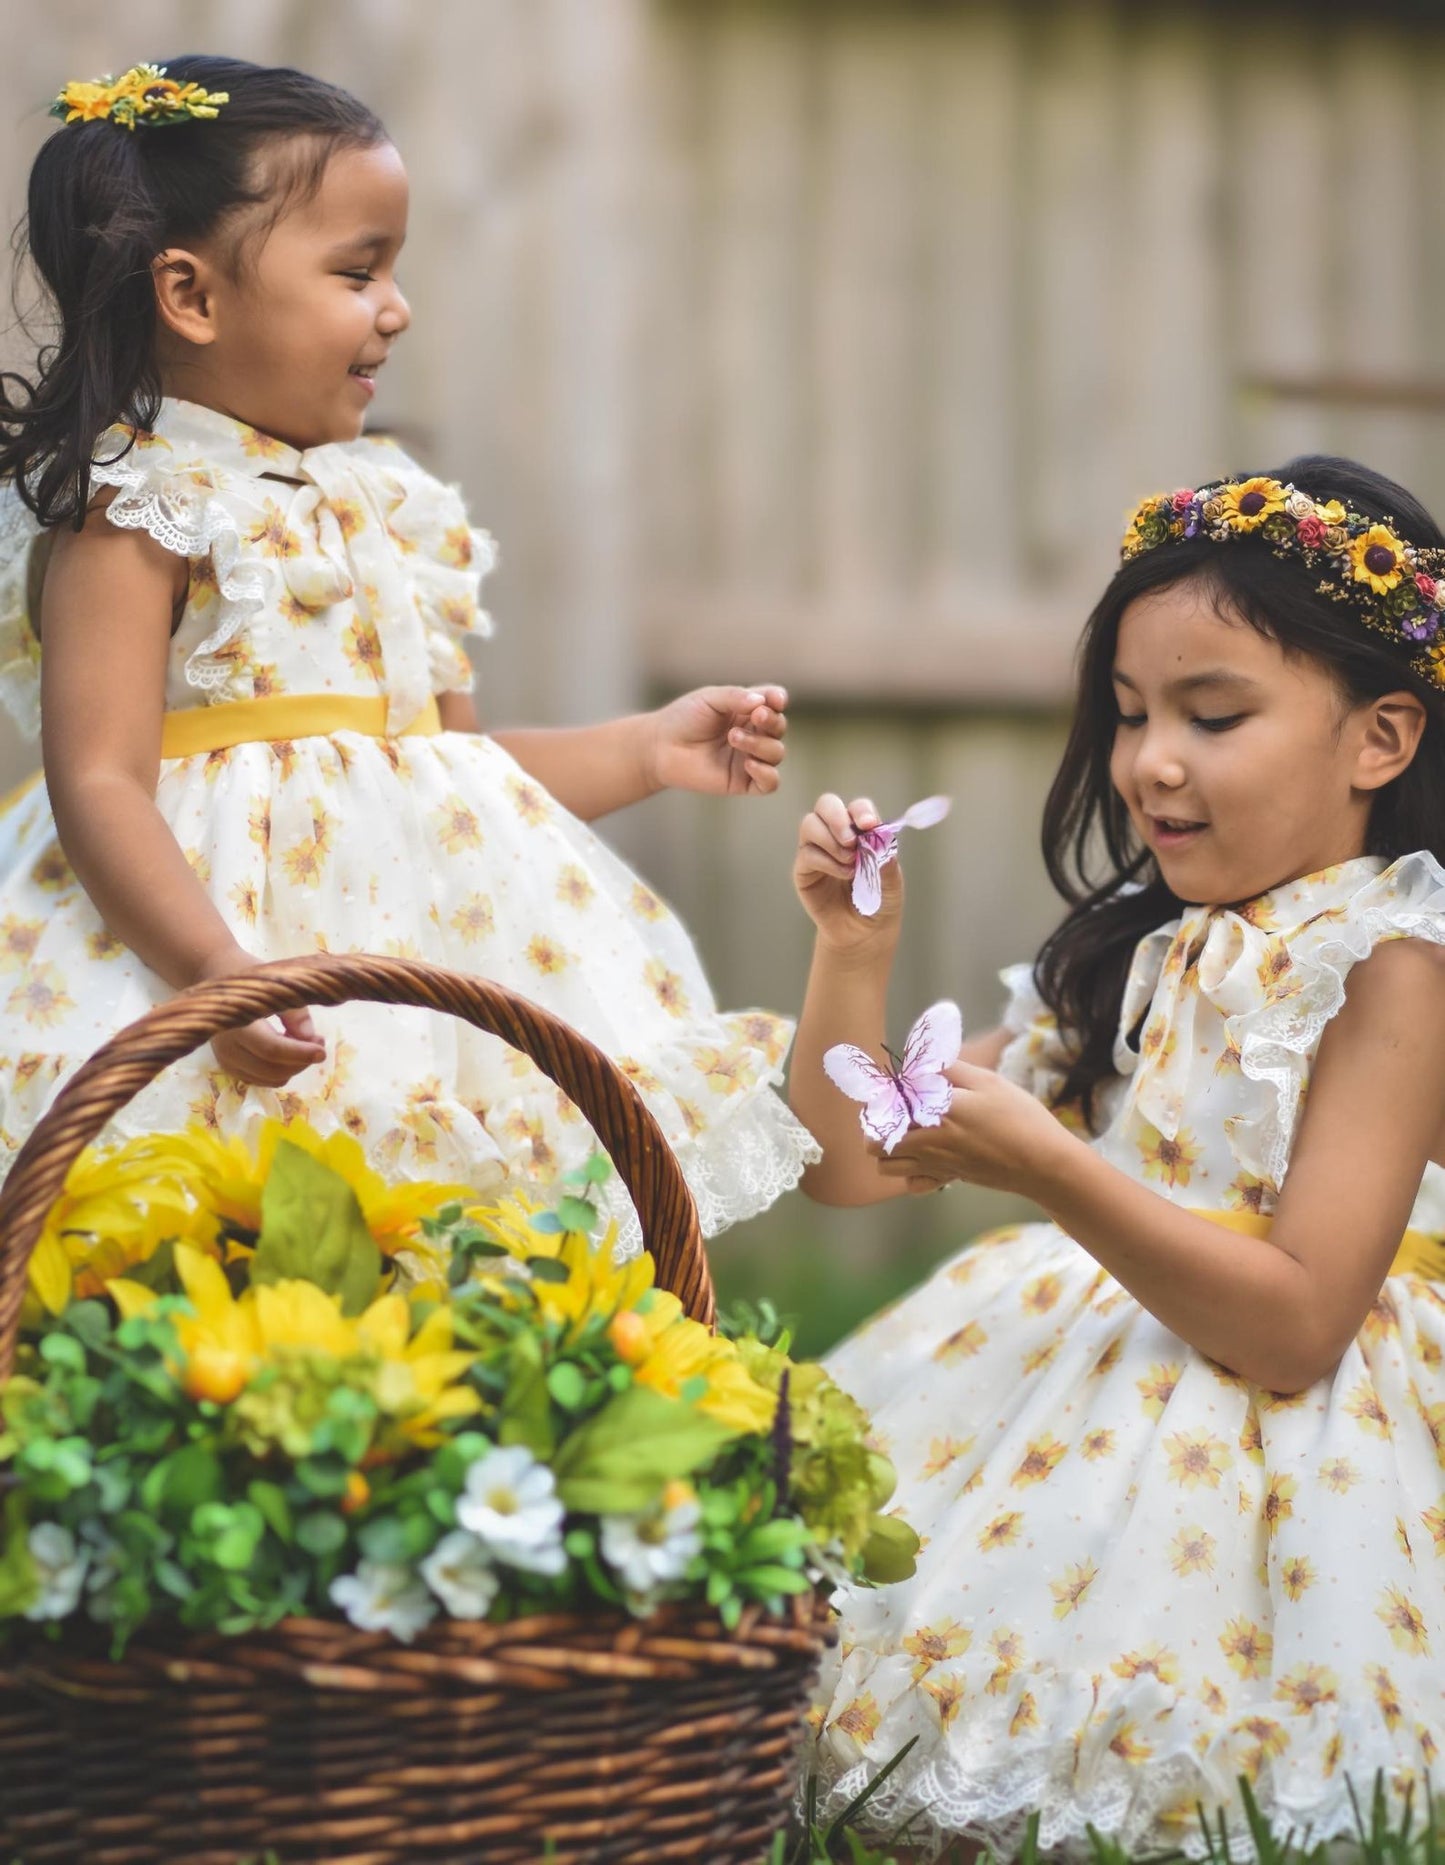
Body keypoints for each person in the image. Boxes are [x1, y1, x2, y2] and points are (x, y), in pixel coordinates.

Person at [0, 56, 818, 1252]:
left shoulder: (393, 499)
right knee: (209, 1240)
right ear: (190, 293)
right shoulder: (143, 507)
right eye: (357, 268)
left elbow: (453, 775)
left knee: (429, 1250)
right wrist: (219, 974)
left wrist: (647, 749)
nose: (398, 305)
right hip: (206, 948)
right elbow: (100, 780)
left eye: (393, 266)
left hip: (415, 986)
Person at [789, 458, 1445, 1857]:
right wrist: (855, 957)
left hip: (1310, 1422)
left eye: (1214, 716)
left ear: (1379, 738)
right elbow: (852, 1168)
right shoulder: (1132, 953)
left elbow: (1298, 1324)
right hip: (1098, 1357)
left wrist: (1061, 1173)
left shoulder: (1391, 966)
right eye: (1134, 713)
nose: (1150, 759)